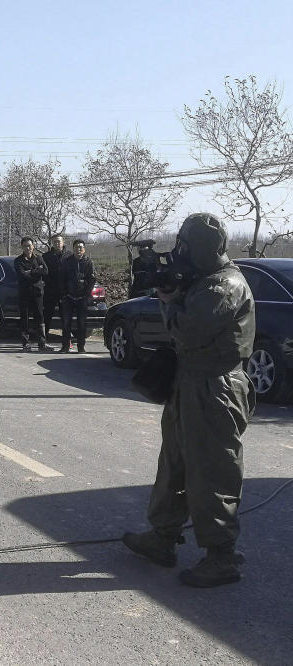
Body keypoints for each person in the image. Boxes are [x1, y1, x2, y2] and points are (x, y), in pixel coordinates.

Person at [122, 213, 255, 588]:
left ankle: (221, 555)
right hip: (191, 382)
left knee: (213, 470)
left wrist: (168, 301)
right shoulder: (205, 281)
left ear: (200, 249)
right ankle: (162, 537)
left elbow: (187, 331)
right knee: (175, 464)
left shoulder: (223, 286)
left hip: (216, 387)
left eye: (186, 246)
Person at [13, 237, 53, 352]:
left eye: (29, 245)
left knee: (40, 318)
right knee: (24, 319)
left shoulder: (39, 258)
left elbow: (45, 271)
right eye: (25, 246)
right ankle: (25, 343)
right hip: (24, 293)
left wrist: (30, 271)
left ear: (33, 246)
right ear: (22, 247)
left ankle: (42, 343)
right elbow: (22, 275)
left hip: (37, 293)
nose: (28, 248)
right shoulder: (18, 261)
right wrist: (36, 271)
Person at [58, 239, 96, 353]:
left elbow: (92, 279)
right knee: (66, 323)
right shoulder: (67, 261)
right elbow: (61, 279)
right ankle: (65, 346)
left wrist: (86, 294)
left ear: (84, 249)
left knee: (82, 324)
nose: (78, 249)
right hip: (68, 297)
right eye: (76, 247)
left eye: (80, 247)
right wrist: (64, 293)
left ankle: (81, 347)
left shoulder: (89, 262)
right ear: (73, 249)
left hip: (82, 298)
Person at [42, 235, 66, 343]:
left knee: (65, 317)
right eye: (55, 241)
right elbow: (43, 273)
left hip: (64, 292)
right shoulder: (46, 256)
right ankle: (43, 340)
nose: (57, 243)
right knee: (47, 316)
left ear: (63, 242)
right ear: (52, 243)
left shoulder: (69, 256)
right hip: (50, 291)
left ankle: (66, 341)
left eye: (59, 241)